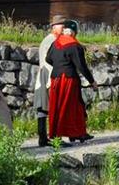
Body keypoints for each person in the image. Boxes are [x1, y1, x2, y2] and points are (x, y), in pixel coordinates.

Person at [46, 20, 98, 144]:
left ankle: (61, 134)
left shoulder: (55, 43)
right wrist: (92, 81)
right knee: (73, 106)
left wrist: (59, 65)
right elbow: (81, 66)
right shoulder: (75, 46)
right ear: (74, 32)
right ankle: (76, 133)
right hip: (68, 79)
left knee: (57, 106)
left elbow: (48, 59)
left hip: (55, 78)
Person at [33, 15, 65, 147]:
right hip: (49, 77)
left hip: (48, 76)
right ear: (54, 27)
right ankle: (51, 138)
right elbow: (49, 61)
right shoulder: (51, 41)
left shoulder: (52, 40)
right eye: (61, 25)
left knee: (45, 108)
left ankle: (45, 138)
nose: (63, 28)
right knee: (51, 107)